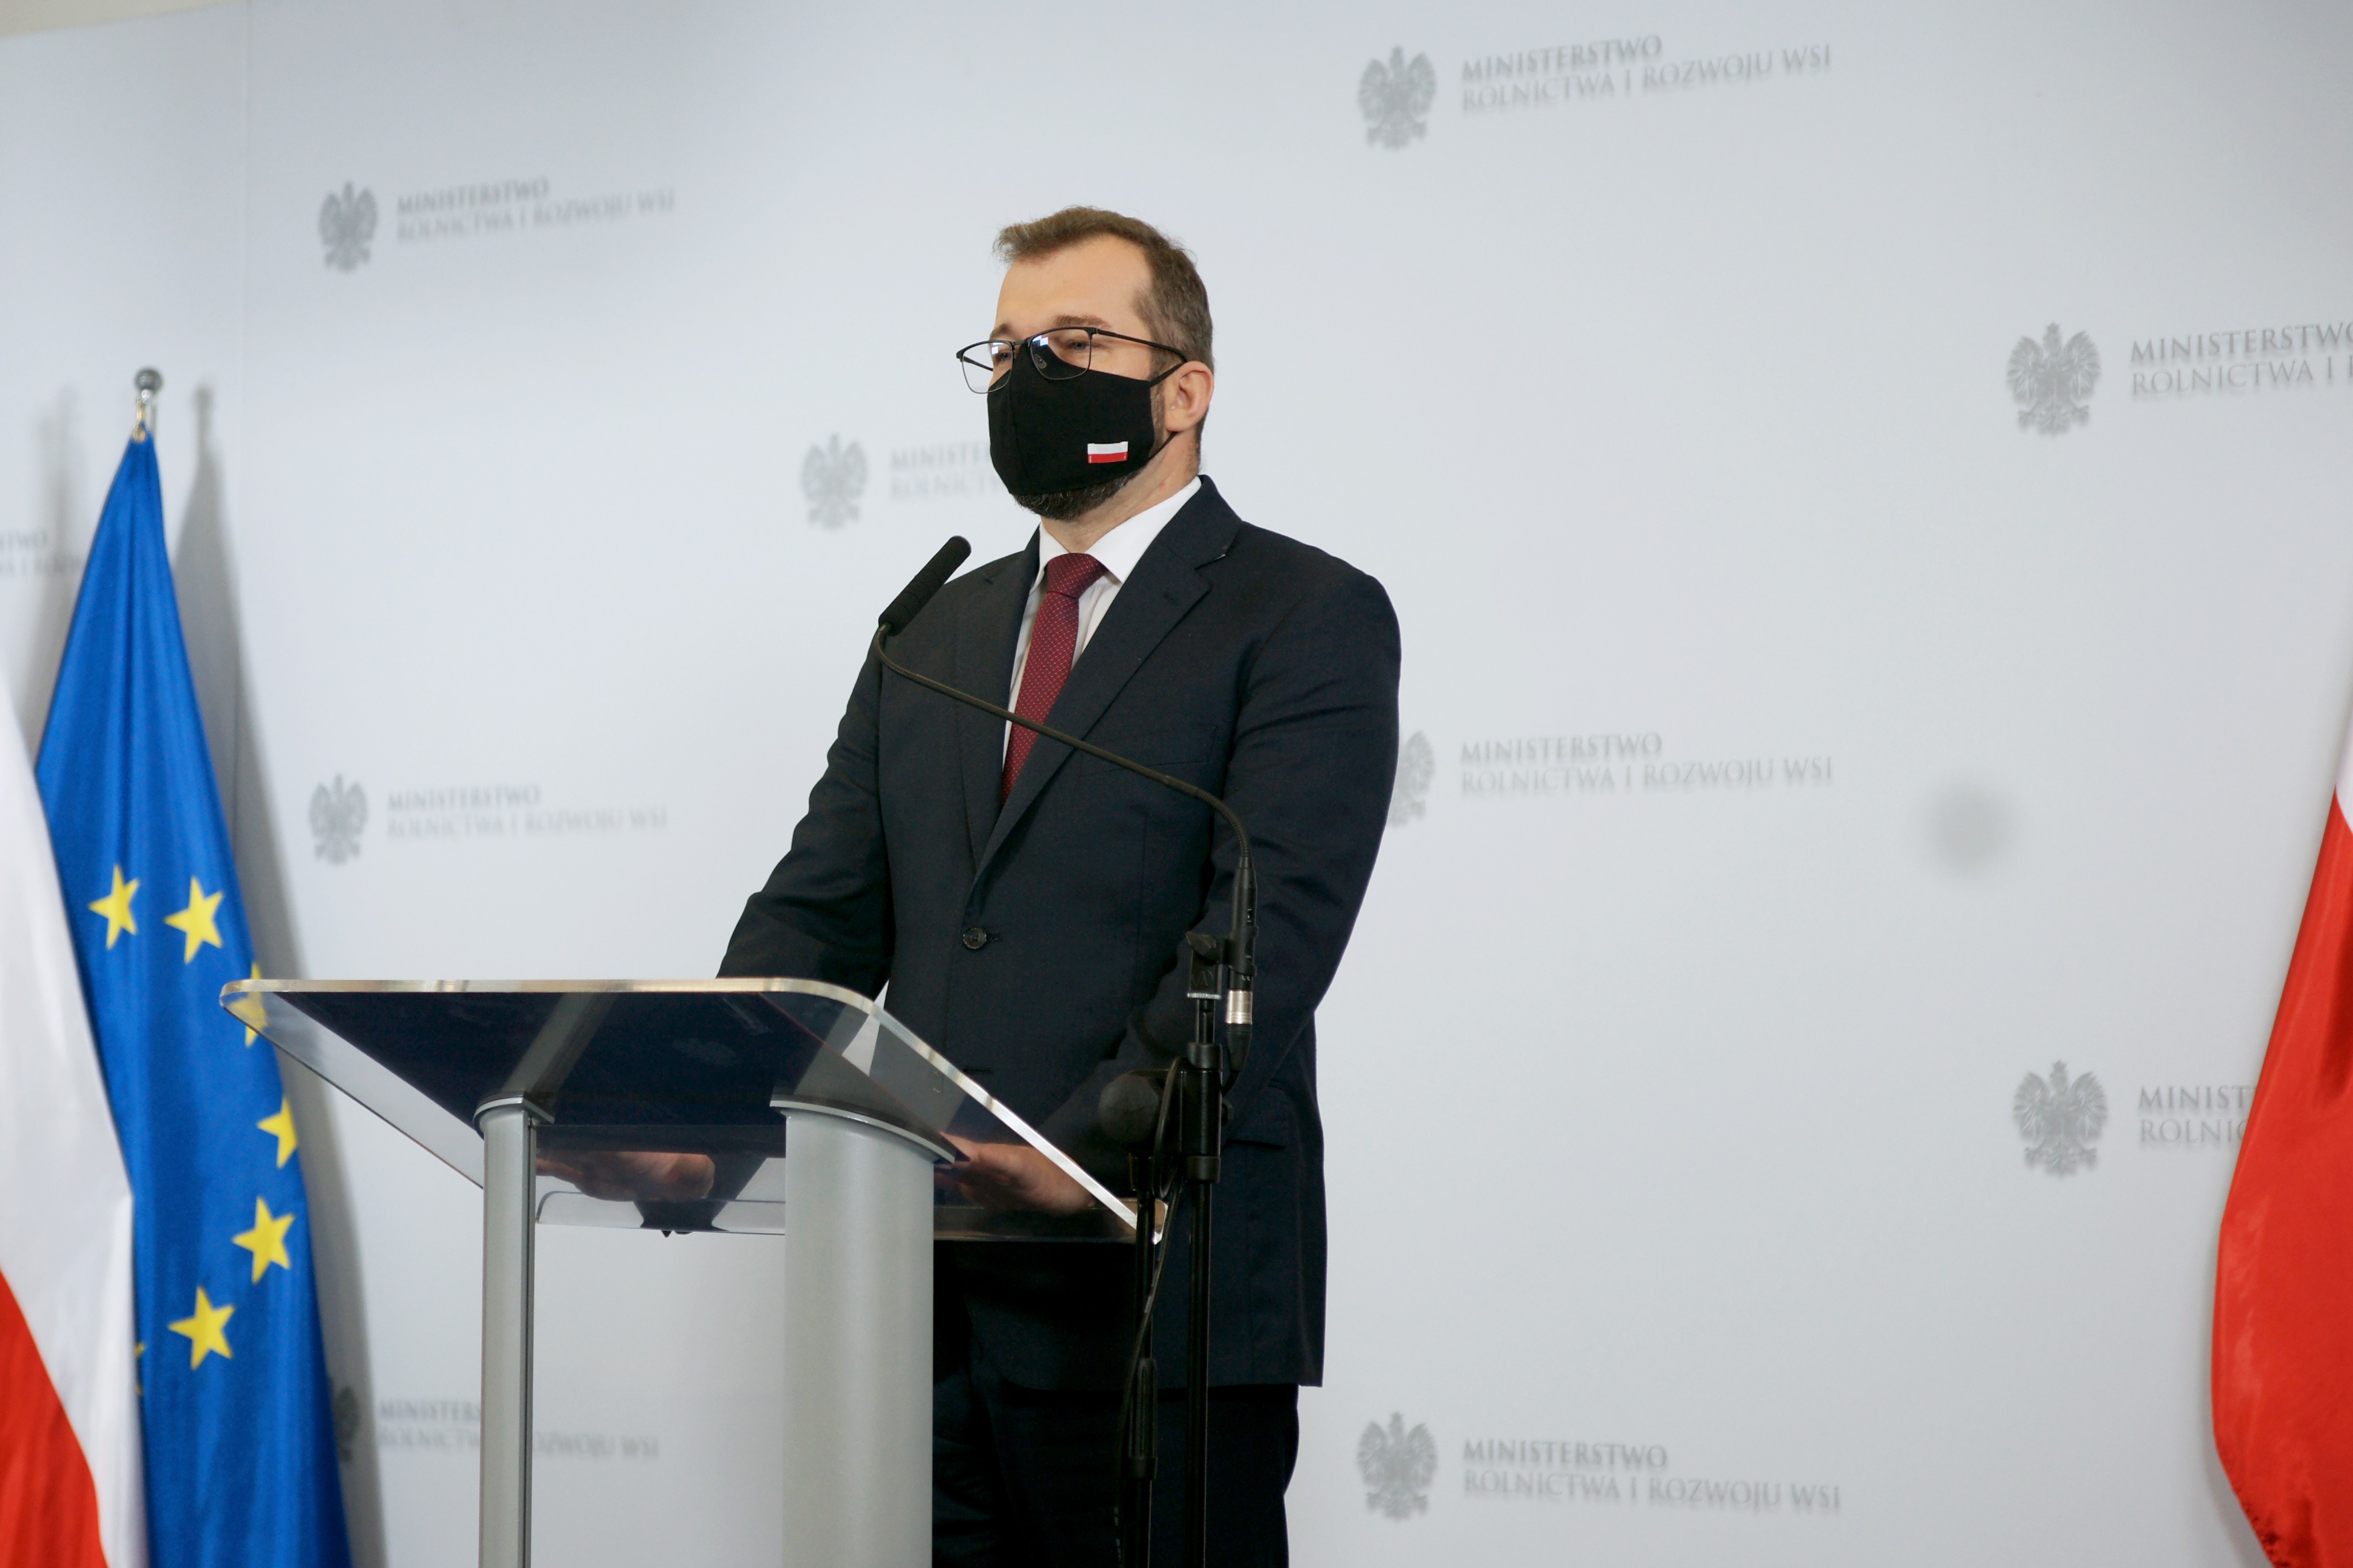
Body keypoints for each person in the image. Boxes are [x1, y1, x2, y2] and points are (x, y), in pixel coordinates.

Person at [719, 206, 1400, 1566]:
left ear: (1185, 390)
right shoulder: (932, 629)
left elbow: (1263, 940)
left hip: (1157, 1305)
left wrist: (1068, 1159)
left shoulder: (1301, 612)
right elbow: (819, 913)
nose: (1031, 375)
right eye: (1008, 350)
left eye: (1076, 343)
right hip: (923, 1310)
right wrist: (698, 1098)